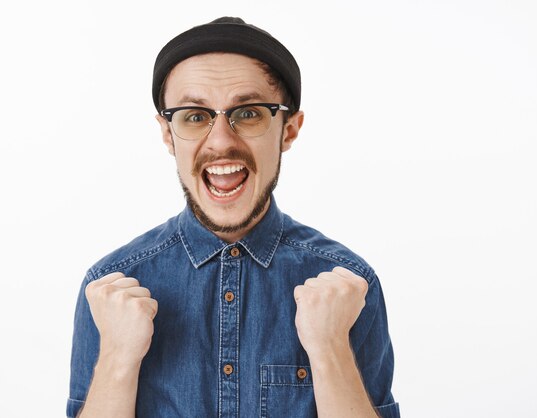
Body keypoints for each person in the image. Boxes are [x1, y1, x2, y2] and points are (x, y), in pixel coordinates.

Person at [67, 16, 400, 418]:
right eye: (194, 115)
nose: (221, 141)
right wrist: (118, 360)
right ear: (167, 134)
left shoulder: (349, 287)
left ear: (289, 130)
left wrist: (330, 351)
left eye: (248, 113)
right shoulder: (109, 288)